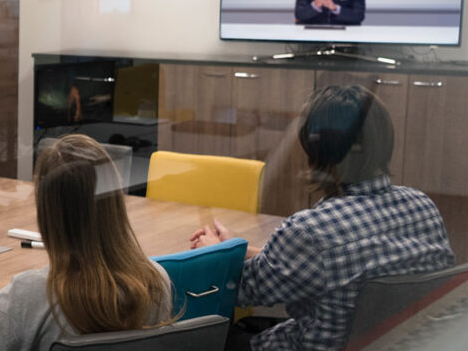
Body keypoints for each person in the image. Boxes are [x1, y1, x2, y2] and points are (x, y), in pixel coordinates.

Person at [190, 85, 454, 350]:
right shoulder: (422, 206)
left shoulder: (310, 231)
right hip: (397, 343)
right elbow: (343, 258)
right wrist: (241, 249)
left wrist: (218, 253)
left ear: (315, 148)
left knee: (214, 337)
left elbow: (240, 290)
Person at [0, 134, 172, 350]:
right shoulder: (156, 281)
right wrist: (2, 310)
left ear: (48, 214)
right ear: (115, 205)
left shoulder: (34, 293)